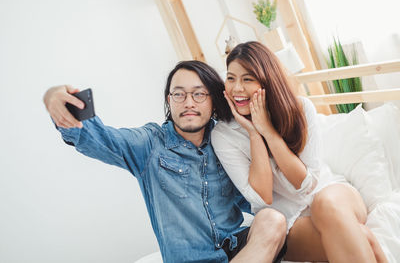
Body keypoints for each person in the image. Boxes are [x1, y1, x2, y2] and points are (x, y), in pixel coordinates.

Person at [43, 60, 288, 263]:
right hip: (194, 259)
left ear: (213, 99)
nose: (189, 102)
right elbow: (97, 138)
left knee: (273, 220)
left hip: (239, 250)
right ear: (169, 100)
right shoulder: (149, 144)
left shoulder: (227, 140)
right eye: (179, 94)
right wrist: (54, 97)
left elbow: (256, 197)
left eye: (199, 94)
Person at [211, 41, 388, 263]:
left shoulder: (301, 108)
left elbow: (307, 184)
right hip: (289, 221)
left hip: (333, 194)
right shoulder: (224, 135)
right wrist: (254, 135)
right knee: (360, 237)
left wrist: (267, 131)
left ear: (267, 80)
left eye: (247, 79)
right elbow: (262, 196)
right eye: (230, 78)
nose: (237, 88)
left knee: (325, 203)